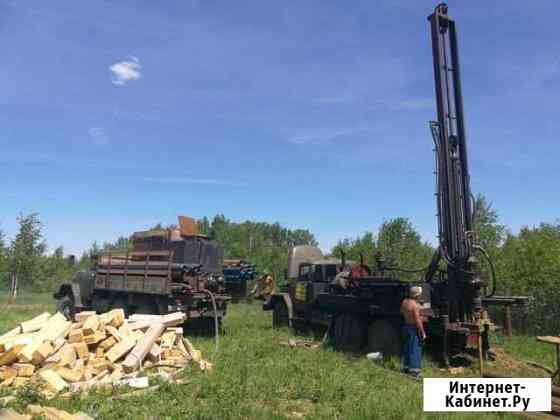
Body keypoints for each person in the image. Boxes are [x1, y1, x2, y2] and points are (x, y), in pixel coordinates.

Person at [400, 286, 426, 378]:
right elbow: (417, 320)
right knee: (415, 348)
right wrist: (422, 332)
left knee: (407, 347)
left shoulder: (404, 302)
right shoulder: (415, 306)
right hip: (414, 328)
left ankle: (405, 367)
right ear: (417, 295)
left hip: (406, 326)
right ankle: (414, 371)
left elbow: (402, 312)